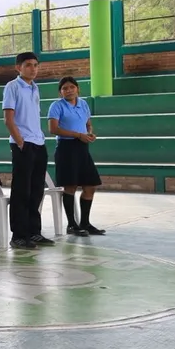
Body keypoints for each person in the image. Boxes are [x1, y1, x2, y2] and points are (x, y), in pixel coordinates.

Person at [2, 51, 53, 249]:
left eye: (35, 65)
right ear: (18, 67)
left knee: (36, 191)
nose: (33, 68)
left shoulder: (35, 87)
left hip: (38, 142)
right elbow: (8, 118)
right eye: (28, 65)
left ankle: (34, 232)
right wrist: (21, 142)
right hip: (23, 143)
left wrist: (37, 139)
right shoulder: (12, 86)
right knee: (21, 191)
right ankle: (18, 236)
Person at [48, 76, 105, 236]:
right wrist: (77, 135)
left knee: (90, 185)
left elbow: (88, 123)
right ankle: (72, 224)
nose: (69, 90)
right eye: (65, 88)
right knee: (70, 186)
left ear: (77, 89)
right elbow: (53, 129)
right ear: (60, 92)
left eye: (71, 87)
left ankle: (85, 223)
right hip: (66, 148)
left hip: (82, 147)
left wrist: (89, 133)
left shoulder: (84, 104)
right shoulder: (57, 106)